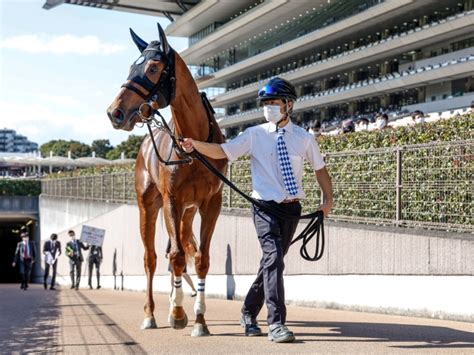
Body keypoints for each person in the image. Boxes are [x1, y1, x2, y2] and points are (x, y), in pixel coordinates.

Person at [181, 77, 333, 343]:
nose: (268, 108)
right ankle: (276, 323)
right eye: (265, 104)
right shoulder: (254, 135)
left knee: (271, 264)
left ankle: (248, 312)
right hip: (264, 207)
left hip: (292, 209)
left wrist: (327, 200)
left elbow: (320, 170)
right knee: (274, 259)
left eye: (273, 103)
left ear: (289, 105)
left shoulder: (304, 138)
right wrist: (196, 145)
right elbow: (222, 150)